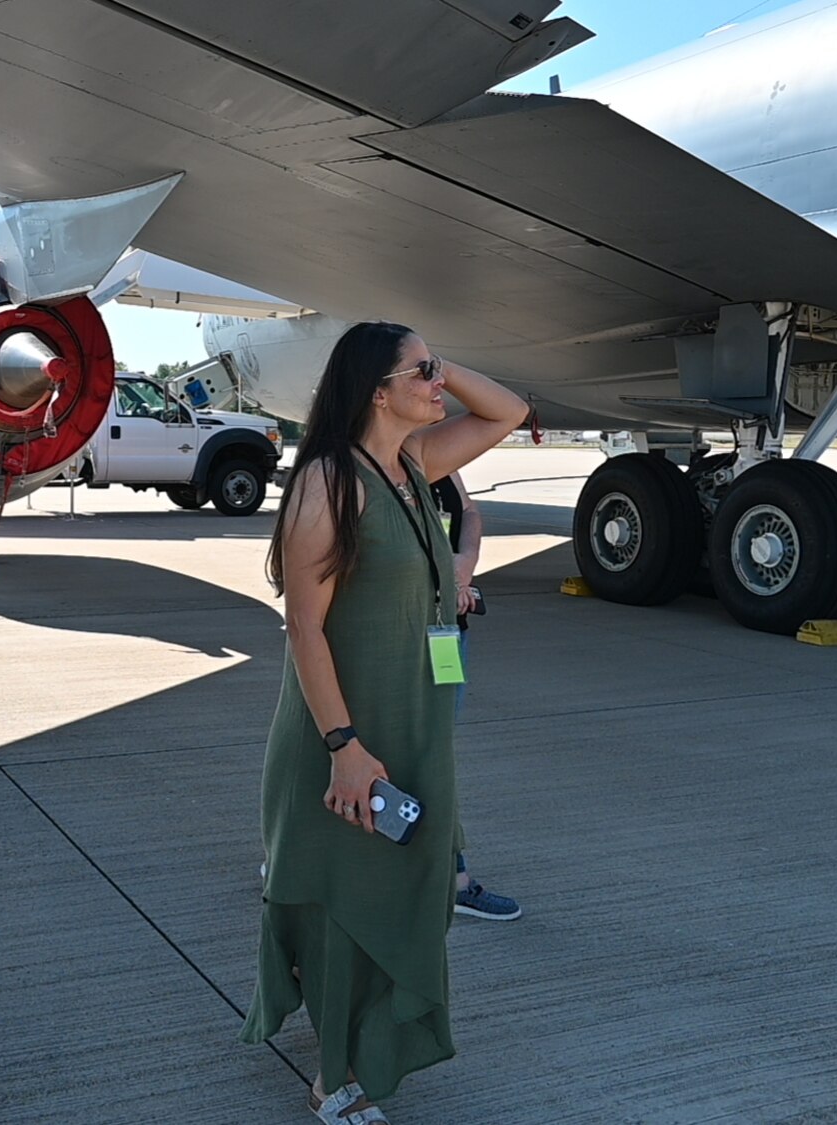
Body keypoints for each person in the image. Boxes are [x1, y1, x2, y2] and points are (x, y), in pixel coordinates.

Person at [242, 322, 528, 1124]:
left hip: (412, 723)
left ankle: (360, 1040)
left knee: (408, 884)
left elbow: (510, 411)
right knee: (346, 902)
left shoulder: (411, 464)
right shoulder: (330, 482)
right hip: (343, 730)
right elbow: (304, 629)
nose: (439, 384)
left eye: (437, 370)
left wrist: (440, 359)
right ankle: (336, 1076)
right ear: (376, 387)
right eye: (421, 373)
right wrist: (342, 747)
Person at [427, 470, 521, 922]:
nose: (436, 394)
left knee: (434, 754)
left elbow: (468, 511)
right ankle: (298, 862)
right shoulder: (365, 456)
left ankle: (454, 879)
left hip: (446, 633)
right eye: (427, 390)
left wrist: (464, 563)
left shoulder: (434, 452)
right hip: (393, 633)